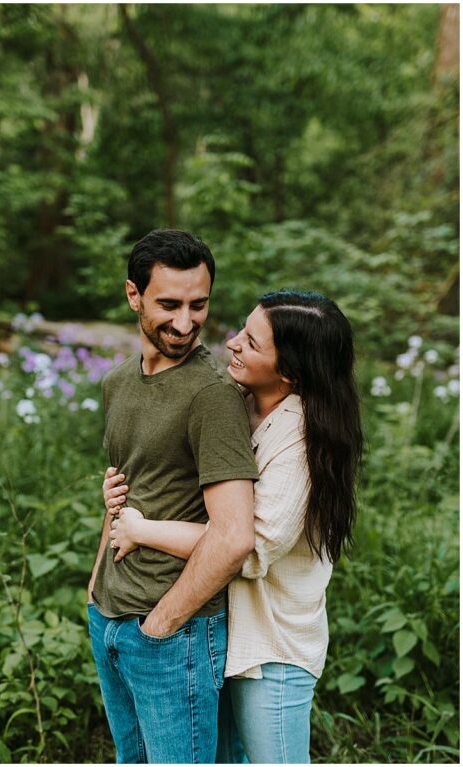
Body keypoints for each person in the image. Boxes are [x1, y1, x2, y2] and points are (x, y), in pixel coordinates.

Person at [104, 289, 362, 763]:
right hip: (222, 629)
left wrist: (144, 530)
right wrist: (121, 490)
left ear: (289, 372)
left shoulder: (300, 438)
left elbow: (245, 544)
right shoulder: (238, 403)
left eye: (253, 342)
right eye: (242, 329)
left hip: (272, 648)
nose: (233, 343)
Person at [86, 229, 260, 764]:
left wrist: (161, 624)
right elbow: (124, 491)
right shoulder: (118, 382)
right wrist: (95, 591)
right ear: (133, 295)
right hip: (110, 618)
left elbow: (234, 537)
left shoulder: (212, 395)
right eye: (168, 304)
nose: (185, 323)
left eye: (198, 305)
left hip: (173, 633)